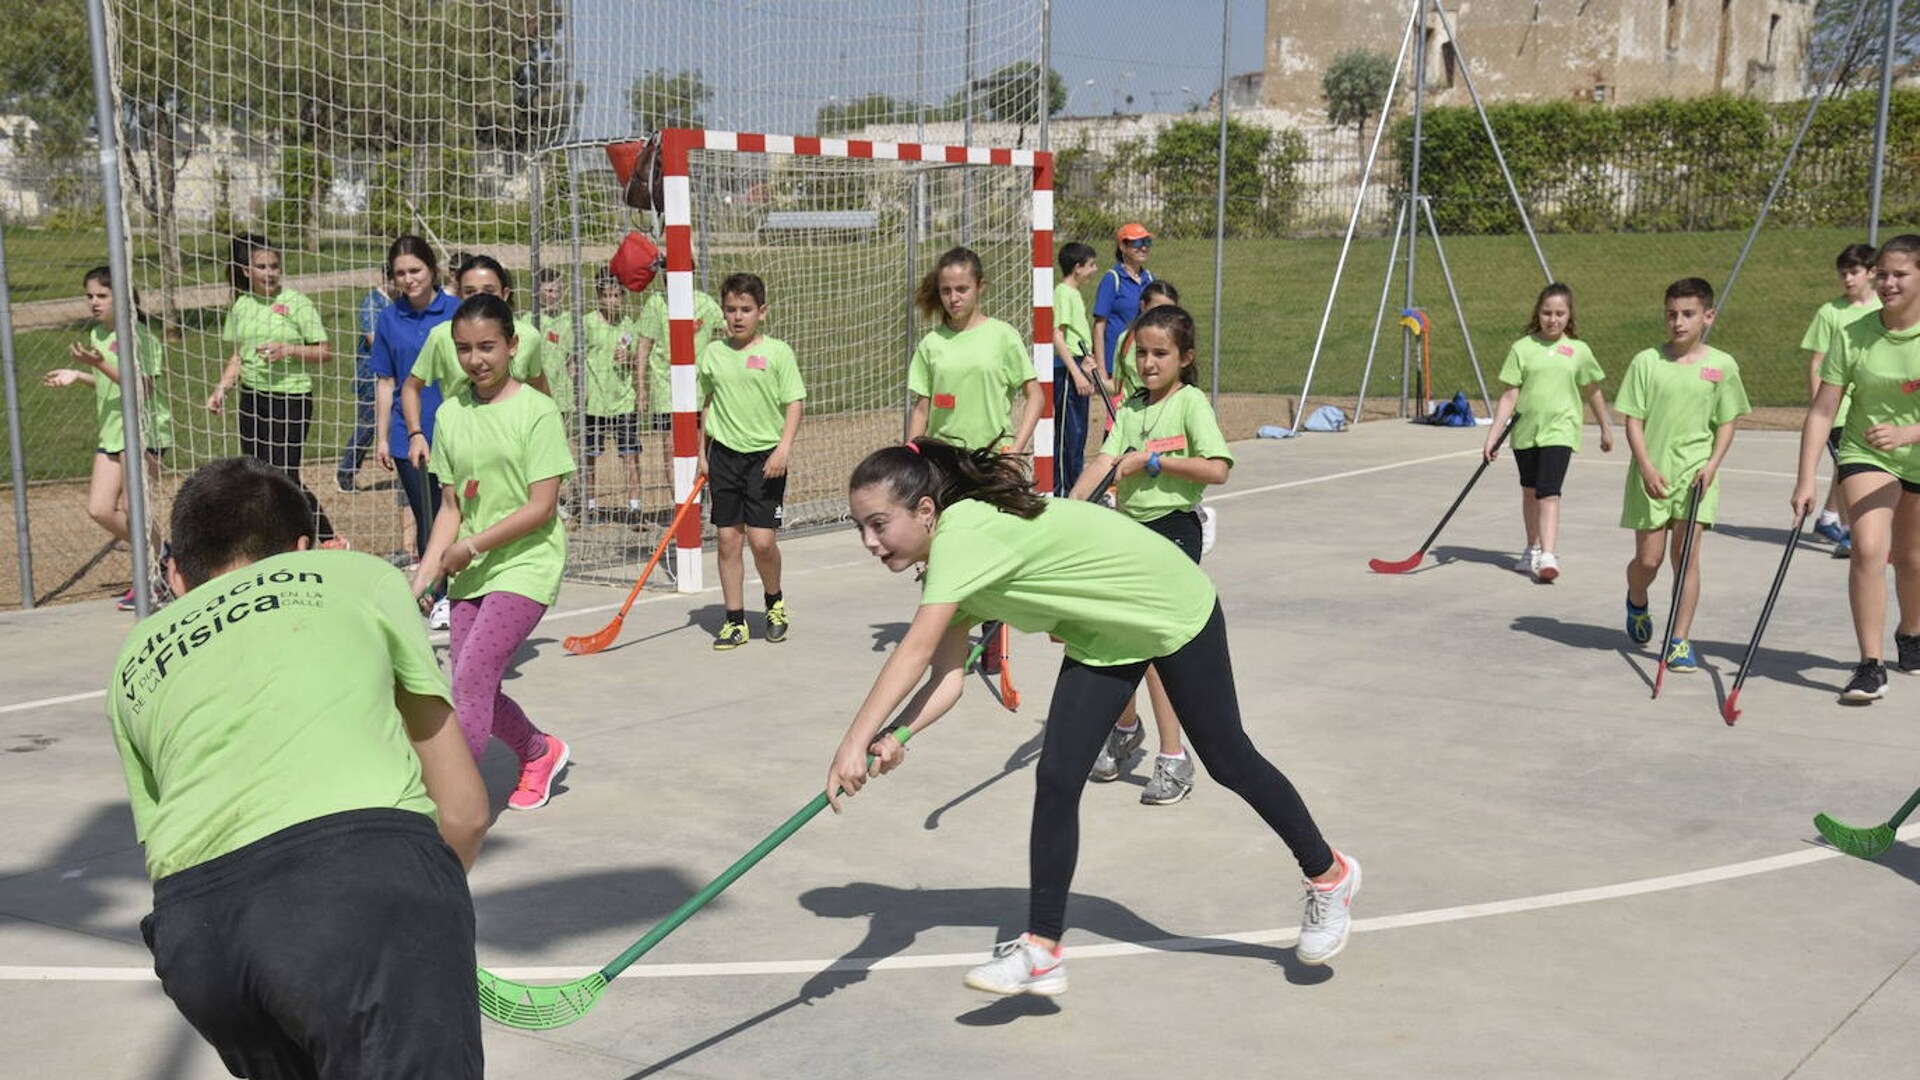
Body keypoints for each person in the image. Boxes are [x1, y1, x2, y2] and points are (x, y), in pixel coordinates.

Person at [829, 439, 1358, 994]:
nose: (869, 541)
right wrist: (897, 734)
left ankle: (1330, 875)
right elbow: (946, 678)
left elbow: (912, 651)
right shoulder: (949, 559)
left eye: (879, 524)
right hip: (1106, 636)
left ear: (926, 511)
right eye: (861, 527)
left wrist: (852, 743)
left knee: (1229, 759)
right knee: (1057, 777)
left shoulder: (963, 535)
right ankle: (1042, 948)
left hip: (1168, 605)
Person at [107, 456, 488, 1078]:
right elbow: (464, 811)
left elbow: (164, 843)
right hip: (355, 882)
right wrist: (423, 918)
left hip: (200, 938)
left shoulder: (132, 658)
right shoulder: (354, 577)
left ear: (177, 575)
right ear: (303, 548)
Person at [410, 294, 574, 808]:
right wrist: (424, 575)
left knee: (471, 682)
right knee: (468, 684)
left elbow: (542, 506)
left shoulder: (537, 411)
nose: (475, 360)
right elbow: (451, 507)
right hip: (470, 569)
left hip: (526, 564)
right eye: (463, 349)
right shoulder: (450, 414)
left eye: (487, 347)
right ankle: (538, 750)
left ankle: (452, 804)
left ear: (512, 346)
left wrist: (471, 546)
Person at [1070, 305, 1233, 806]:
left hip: (1175, 531)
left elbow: (1217, 468)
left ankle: (1173, 758)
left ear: (1185, 357)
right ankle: (1125, 728)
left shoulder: (1190, 403)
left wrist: (1155, 462)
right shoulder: (1133, 407)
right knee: (1117, 634)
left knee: (1160, 649)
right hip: (1132, 531)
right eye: (1141, 352)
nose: (1148, 362)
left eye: (1160, 353)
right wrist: (1068, 511)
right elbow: (1105, 460)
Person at [1793, 234, 1920, 704]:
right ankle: (1870, 664)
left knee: (1912, 561)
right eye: (1882, 273)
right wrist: (1806, 477)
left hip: (1917, 452)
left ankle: (1911, 633)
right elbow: (1824, 411)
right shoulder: (1853, 333)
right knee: (1869, 549)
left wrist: (1909, 434)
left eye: (1900, 274)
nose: (1888, 283)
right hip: (1869, 454)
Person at [1617, 278, 1751, 675]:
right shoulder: (1646, 361)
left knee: (1686, 558)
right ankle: (1637, 597)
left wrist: (1712, 465)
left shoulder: (1721, 365)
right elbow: (1633, 420)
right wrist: (1645, 466)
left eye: (1688, 314)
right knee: (1649, 559)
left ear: (1708, 316)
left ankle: (1679, 640)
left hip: (1697, 477)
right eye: (1672, 314)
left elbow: (1726, 422)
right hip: (1653, 476)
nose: (1678, 322)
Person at [42, 265, 173, 610]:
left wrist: (98, 366)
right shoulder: (100, 335)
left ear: (123, 298)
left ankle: (158, 574)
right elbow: (109, 381)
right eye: (89, 296)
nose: (94, 303)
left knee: (133, 507)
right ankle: (164, 556)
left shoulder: (140, 336)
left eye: (102, 296)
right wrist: (79, 374)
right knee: (100, 509)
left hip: (144, 432)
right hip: (113, 432)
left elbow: (143, 389)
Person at [206, 233, 342, 546]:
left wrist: (289, 350)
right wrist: (221, 389)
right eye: (261, 267)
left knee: (283, 474)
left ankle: (328, 537)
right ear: (245, 271)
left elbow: (325, 352)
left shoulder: (296, 303)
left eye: (274, 266)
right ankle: (274, 537)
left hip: (291, 398)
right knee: (255, 474)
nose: (270, 273)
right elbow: (239, 356)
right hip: (252, 398)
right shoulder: (241, 306)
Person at [697, 273, 806, 650]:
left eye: (746, 310)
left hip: (765, 459)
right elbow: (709, 404)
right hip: (724, 456)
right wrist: (702, 451)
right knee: (727, 539)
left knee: (761, 542)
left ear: (762, 312)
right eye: (730, 310)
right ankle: (735, 620)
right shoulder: (713, 354)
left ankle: (774, 602)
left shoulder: (778, 352)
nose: (737, 317)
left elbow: (794, 402)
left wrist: (783, 448)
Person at [1484, 282, 1615, 583]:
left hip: (1561, 430)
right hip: (1525, 431)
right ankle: (1532, 547)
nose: (1553, 319)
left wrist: (1606, 427)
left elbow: (1592, 389)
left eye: (1559, 313)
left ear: (1569, 315)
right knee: (1530, 492)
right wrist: (1492, 436)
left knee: (1548, 492)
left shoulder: (1578, 351)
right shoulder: (1522, 348)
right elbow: (1509, 395)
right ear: (1538, 313)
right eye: (1547, 312)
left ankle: (1548, 555)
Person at [369, 236, 459, 629]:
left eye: (415, 270)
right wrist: (383, 437)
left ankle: (467, 591)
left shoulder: (456, 311)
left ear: (432, 269)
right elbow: (386, 381)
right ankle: (437, 596)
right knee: (429, 517)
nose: (408, 279)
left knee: (462, 514)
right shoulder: (388, 319)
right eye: (400, 273)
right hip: (411, 436)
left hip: (457, 431)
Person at [905, 246, 1043, 455]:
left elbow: (1036, 396)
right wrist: (911, 458)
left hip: (993, 461)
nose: (953, 298)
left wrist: (1016, 450)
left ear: (980, 287)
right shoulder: (931, 344)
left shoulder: (1003, 336)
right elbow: (921, 410)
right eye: (946, 290)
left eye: (962, 289)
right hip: (944, 463)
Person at [1799, 243, 1882, 559]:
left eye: (1854, 272)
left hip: (1870, 406)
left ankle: (1828, 518)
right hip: (1840, 408)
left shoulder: (1882, 310)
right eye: (1842, 273)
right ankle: (1849, 532)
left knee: (1852, 468)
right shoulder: (1830, 312)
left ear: (1871, 273)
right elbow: (1817, 363)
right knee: (1849, 469)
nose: (1847, 279)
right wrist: (1821, 407)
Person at [634, 268, 726, 505]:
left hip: (698, 387)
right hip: (666, 386)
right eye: (665, 278)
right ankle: (681, 505)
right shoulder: (655, 303)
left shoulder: (704, 303)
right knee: (671, 447)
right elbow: (644, 345)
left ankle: (701, 500)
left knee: (701, 445)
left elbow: (728, 330)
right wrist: (641, 387)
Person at [579, 270, 644, 523]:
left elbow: (637, 362)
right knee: (591, 456)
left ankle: (635, 506)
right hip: (594, 402)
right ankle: (591, 505)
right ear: (598, 297)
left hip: (623, 401)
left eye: (617, 295)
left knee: (630, 454)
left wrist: (627, 359)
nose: (612, 301)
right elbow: (575, 358)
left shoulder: (630, 326)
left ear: (624, 297)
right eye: (607, 296)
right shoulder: (587, 323)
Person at [337, 267, 395, 493]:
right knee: (368, 426)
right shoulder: (372, 302)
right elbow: (374, 340)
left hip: (400, 374)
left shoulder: (406, 301)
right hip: (371, 376)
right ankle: (345, 472)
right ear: (387, 278)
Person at [1051, 242, 1101, 494]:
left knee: (1079, 433)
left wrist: (1088, 363)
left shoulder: (1074, 294)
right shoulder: (1062, 293)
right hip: (1068, 369)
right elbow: (1057, 336)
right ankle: (1061, 490)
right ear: (1077, 267)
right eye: (1091, 264)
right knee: (1067, 434)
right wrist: (1075, 372)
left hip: (1080, 364)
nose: (1094, 269)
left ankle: (1075, 488)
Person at [1101, 279, 1182, 426]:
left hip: (1165, 418)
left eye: (1169, 311)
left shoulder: (1178, 344)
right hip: (1131, 419)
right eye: (1157, 309)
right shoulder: (1126, 339)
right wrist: (1091, 376)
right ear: (1143, 306)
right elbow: (1117, 387)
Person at [1091, 222, 1156, 388]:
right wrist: (1101, 368)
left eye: (1147, 242)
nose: (1143, 248)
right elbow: (1099, 327)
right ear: (1122, 246)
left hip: (1141, 360)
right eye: (1137, 243)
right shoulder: (1112, 279)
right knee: (1117, 411)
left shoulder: (1151, 279)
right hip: (1117, 362)